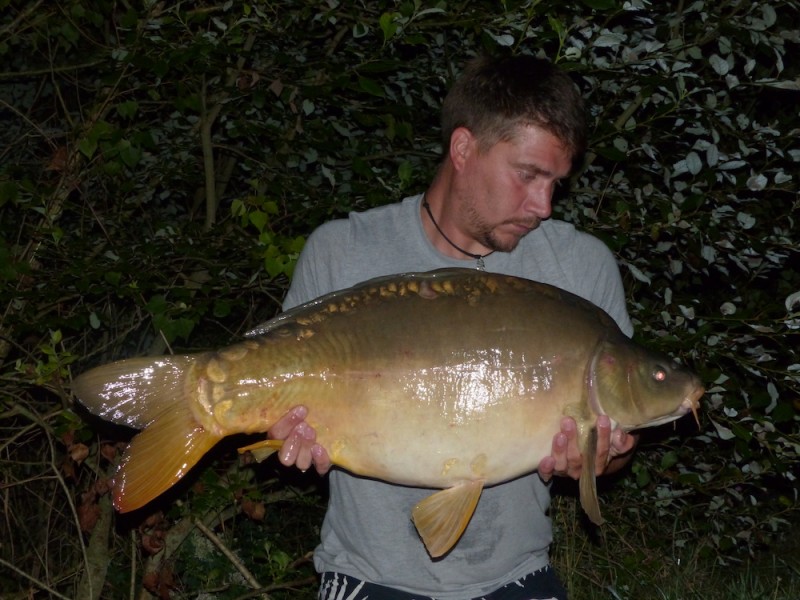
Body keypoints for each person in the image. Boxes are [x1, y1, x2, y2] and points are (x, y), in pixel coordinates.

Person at [266, 55, 637, 599]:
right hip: (367, 573)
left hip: (517, 574)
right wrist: (285, 431)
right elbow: (280, 400)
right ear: (463, 149)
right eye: (528, 175)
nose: (543, 206)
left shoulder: (580, 270)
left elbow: (620, 443)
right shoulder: (342, 253)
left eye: (556, 183)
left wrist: (603, 457)